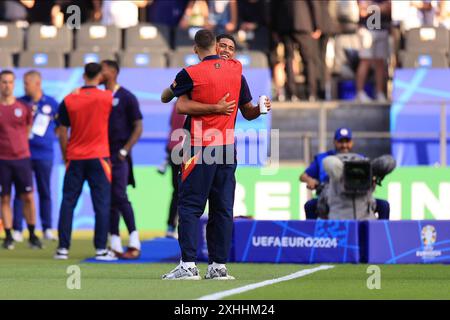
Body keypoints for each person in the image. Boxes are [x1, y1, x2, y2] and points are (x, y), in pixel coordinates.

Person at [160, 29, 245, 280]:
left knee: (189, 206)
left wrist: (212, 107)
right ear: (218, 47)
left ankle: (188, 266)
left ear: (196, 48)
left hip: (199, 148)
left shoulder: (190, 73)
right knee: (222, 208)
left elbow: (177, 102)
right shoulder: (237, 69)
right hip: (227, 149)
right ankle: (218, 266)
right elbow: (248, 108)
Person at [54, 63, 116, 261]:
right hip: (99, 157)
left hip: (75, 157)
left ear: (83, 76)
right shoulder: (107, 97)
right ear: (99, 76)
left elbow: (62, 131)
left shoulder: (70, 99)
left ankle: (63, 248)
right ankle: (100, 249)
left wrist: (66, 155)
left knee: (68, 202)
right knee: (102, 204)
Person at [100, 60, 143, 259]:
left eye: (104, 69)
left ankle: (134, 241)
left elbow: (138, 127)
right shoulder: (99, 96)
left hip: (118, 154)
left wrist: (124, 151)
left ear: (114, 72)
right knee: (108, 199)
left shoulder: (126, 97)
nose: (100, 72)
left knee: (120, 195)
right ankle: (114, 244)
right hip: (100, 154)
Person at [300, 127, 390, 220]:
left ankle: (382, 232)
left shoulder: (360, 158)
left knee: (383, 205)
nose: (344, 145)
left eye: (347, 142)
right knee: (310, 206)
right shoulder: (322, 158)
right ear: (334, 142)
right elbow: (303, 176)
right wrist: (310, 180)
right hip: (330, 197)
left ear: (352, 142)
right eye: (341, 142)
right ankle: (313, 234)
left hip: (359, 197)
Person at [12, 70, 59, 243]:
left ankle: (47, 227)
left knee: (44, 191)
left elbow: (61, 127)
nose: (24, 86)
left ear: (37, 83)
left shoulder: (51, 103)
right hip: (22, 154)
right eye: (23, 83)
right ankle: (17, 228)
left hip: (44, 154)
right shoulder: (19, 103)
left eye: (26, 83)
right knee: (20, 192)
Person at [0, 70, 42, 250]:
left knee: (29, 197)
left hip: (22, 159)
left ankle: (32, 234)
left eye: (10, 82)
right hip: (2, 160)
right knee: (5, 198)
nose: (7, 85)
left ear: (14, 84)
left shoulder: (23, 108)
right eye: (3, 82)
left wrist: (19, 146)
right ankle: (8, 235)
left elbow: (28, 129)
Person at [270, 0, 321, 102]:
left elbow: (273, 6)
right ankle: (311, 93)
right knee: (307, 59)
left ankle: (292, 93)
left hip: (286, 24)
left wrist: (274, 28)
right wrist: (317, 25)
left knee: (289, 59)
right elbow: (314, 4)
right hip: (303, 23)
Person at [158, 104, 186, 239]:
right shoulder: (192, 104)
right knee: (185, 191)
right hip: (184, 151)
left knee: (177, 191)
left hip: (173, 149)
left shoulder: (176, 105)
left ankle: (171, 226)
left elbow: (172, 125)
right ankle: (181, 227)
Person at [355, 0, 391, 103]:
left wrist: (373, 7)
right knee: (365, 60)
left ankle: (380, 93)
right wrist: (380, 7)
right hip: (367, 29)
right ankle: (360, 92)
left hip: (382, 28)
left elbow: (389, 8)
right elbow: (363, 10)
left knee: (380, 62)